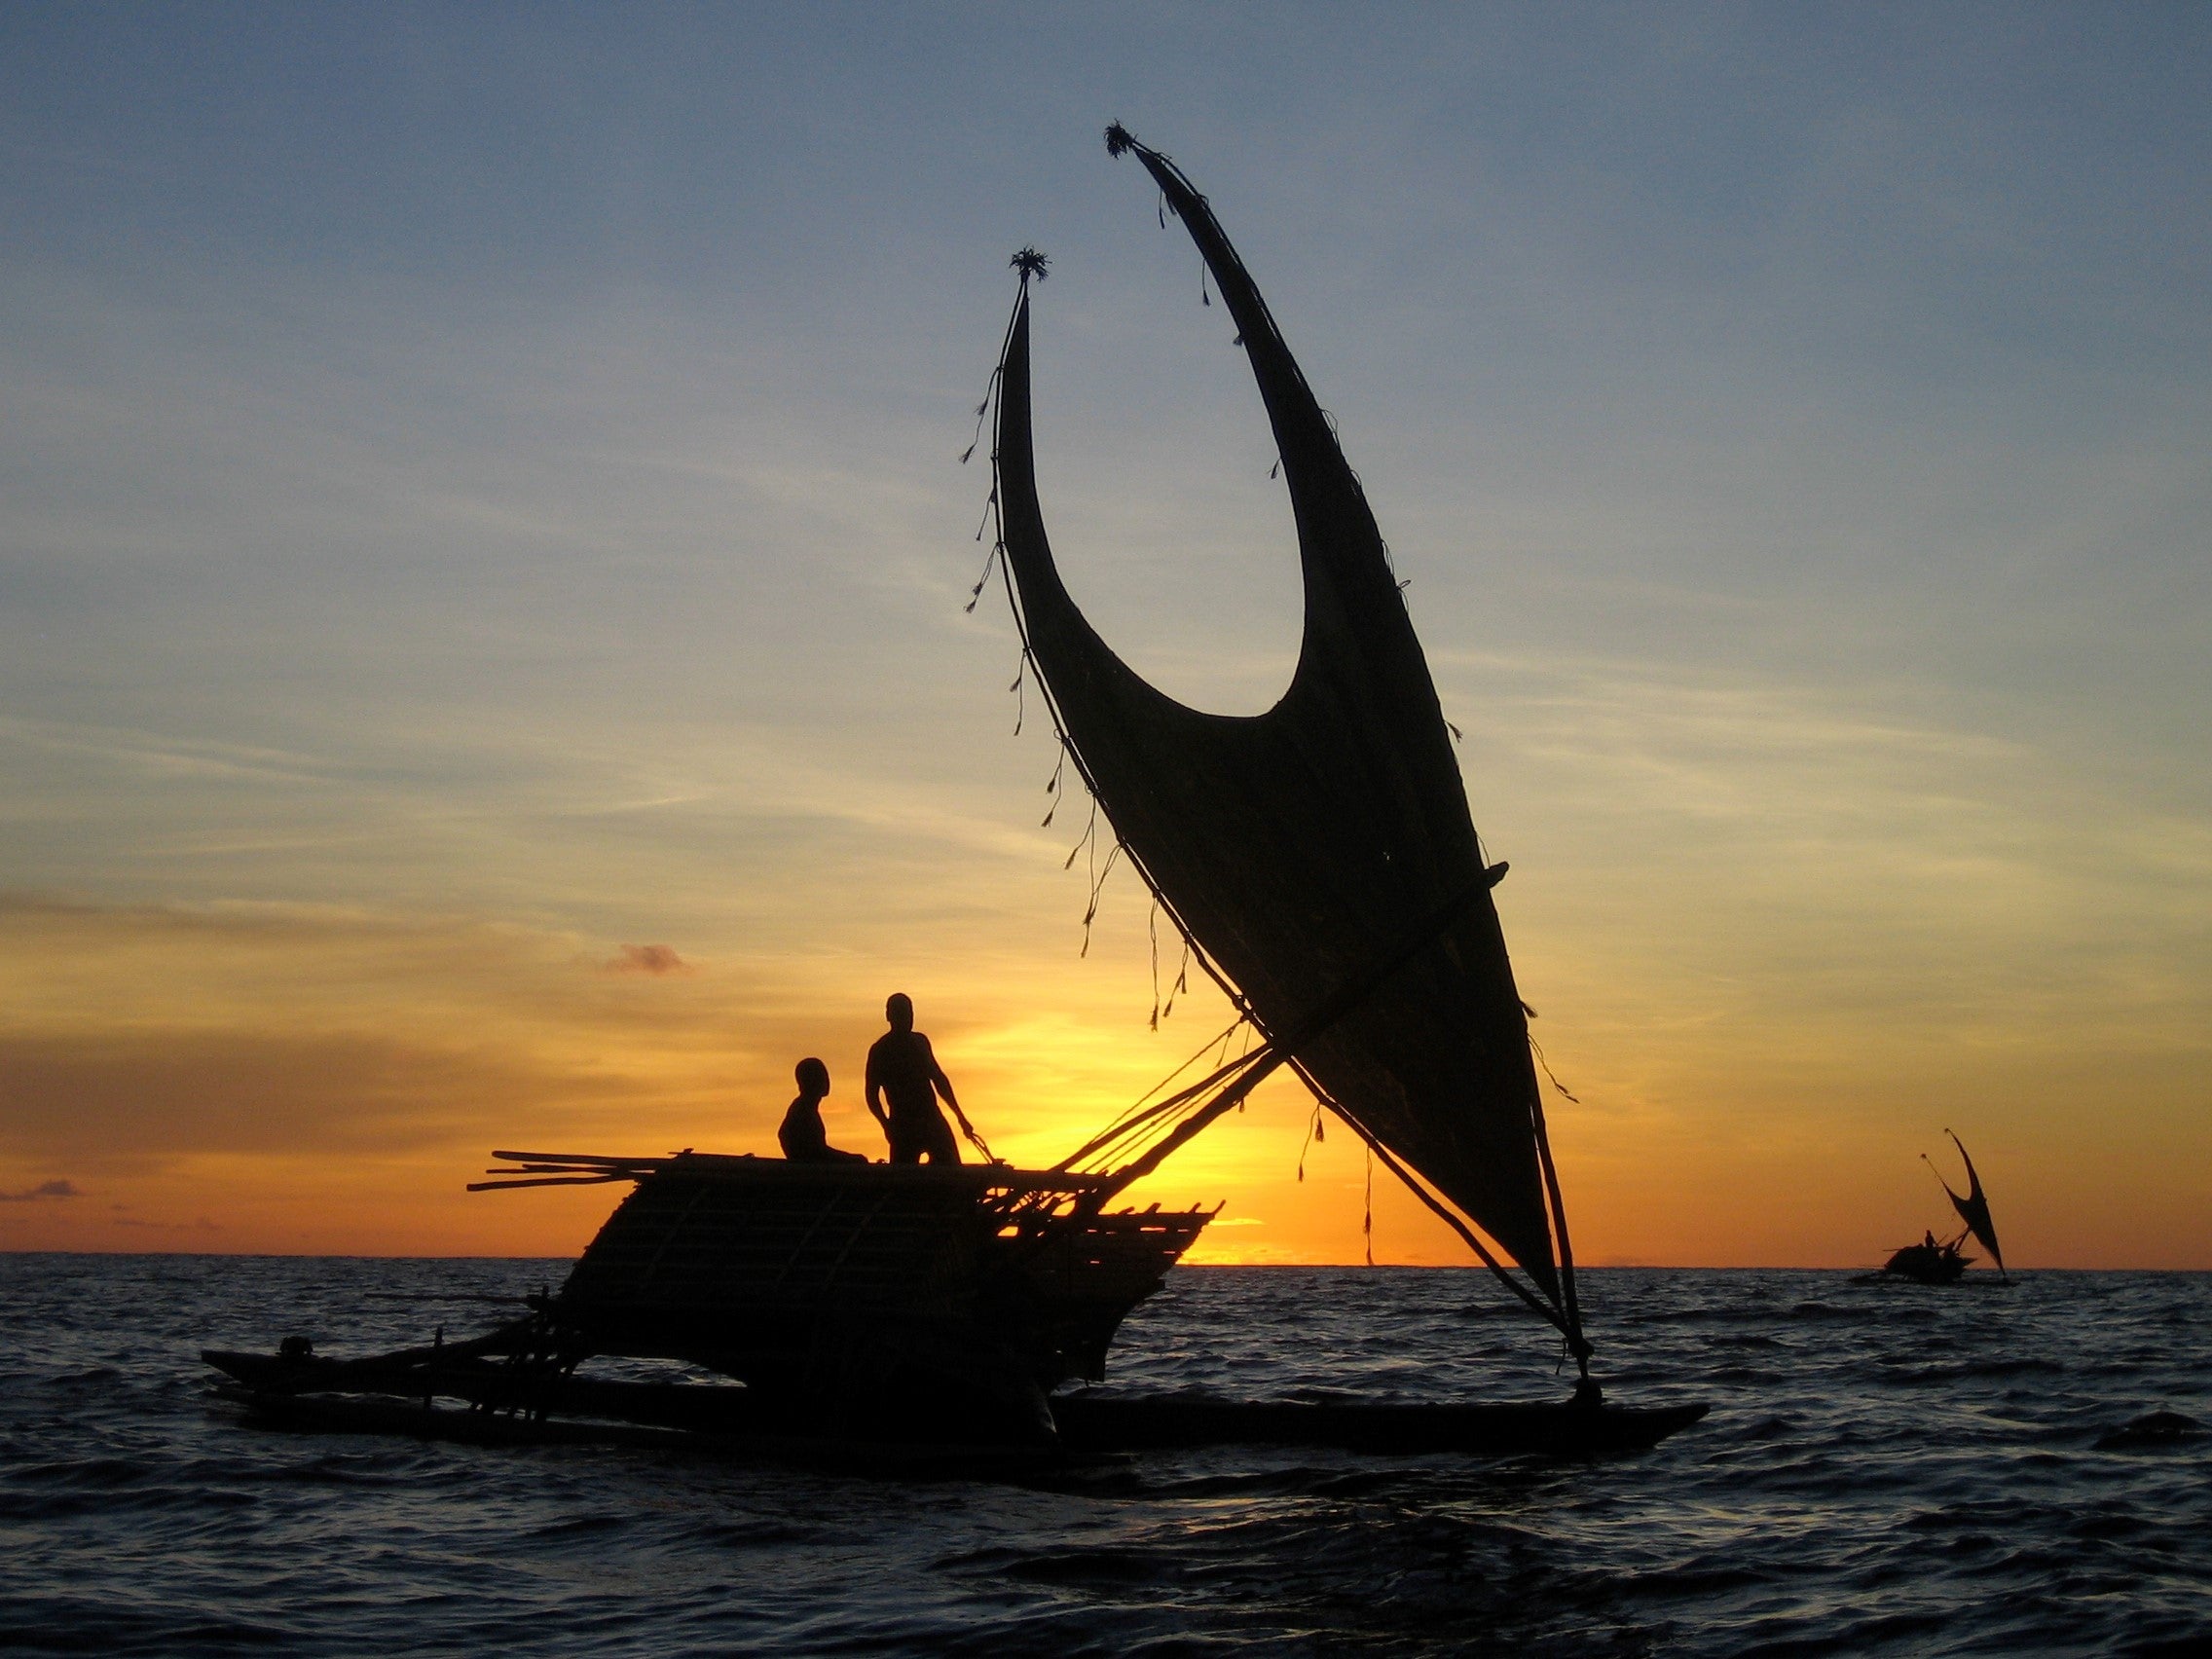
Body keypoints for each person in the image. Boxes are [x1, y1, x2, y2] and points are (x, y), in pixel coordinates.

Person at [864, 993, 982, 1164]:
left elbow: (939, 1080)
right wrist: (886, 1124)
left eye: (910, 1013)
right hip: (903, 1124)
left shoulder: (920, 1042)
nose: (908, 1018)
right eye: (902, 1013)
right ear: (889, 1016)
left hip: (931, 1118)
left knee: (952, 1168)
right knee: (904, 1179)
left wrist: (960, 1117)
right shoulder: (880, 1050)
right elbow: (871, 1095)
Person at [778, 1057, 867, 1163]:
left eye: (826, 1076)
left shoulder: (805, 1107)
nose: (827, 1081)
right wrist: (852, 1159)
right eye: (820, 1076)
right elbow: (817, 1151)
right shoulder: (802, 1110)